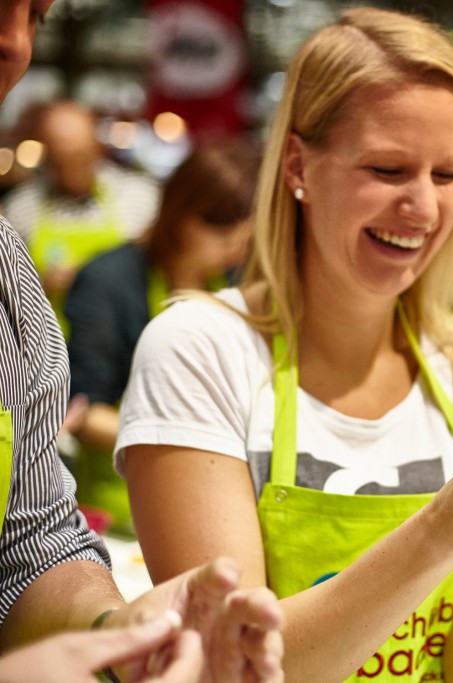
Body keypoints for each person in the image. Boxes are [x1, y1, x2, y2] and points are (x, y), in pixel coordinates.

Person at [116, 7, 453, 682]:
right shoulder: (201, 350)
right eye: (389, 169)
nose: (424, 209)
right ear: (297, 165)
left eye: (448, 175)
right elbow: (230, 667)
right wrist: (445, 529)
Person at [0, 2, 283, 681]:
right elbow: (81, 403)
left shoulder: (8, 270)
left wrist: (119, 627)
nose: (13, 40)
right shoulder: (82, 259)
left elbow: (31, 539)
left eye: (33, 13)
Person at [63, 138, 259, 534]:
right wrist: (195, 441)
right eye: (223, 237)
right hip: (117, 506)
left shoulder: (235, 281)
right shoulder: (109, 281)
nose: (234, 251)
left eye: (243, 240)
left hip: (211, 506)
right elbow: (82, 410)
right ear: (181, 214)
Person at [3, 99, 159, 334]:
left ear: (97, 149)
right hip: (53, 346)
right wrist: (41, 285)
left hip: (125, 337)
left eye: (79, 157)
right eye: (59, 160)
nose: (71, 171)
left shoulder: (140, 196)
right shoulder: (21, 206)